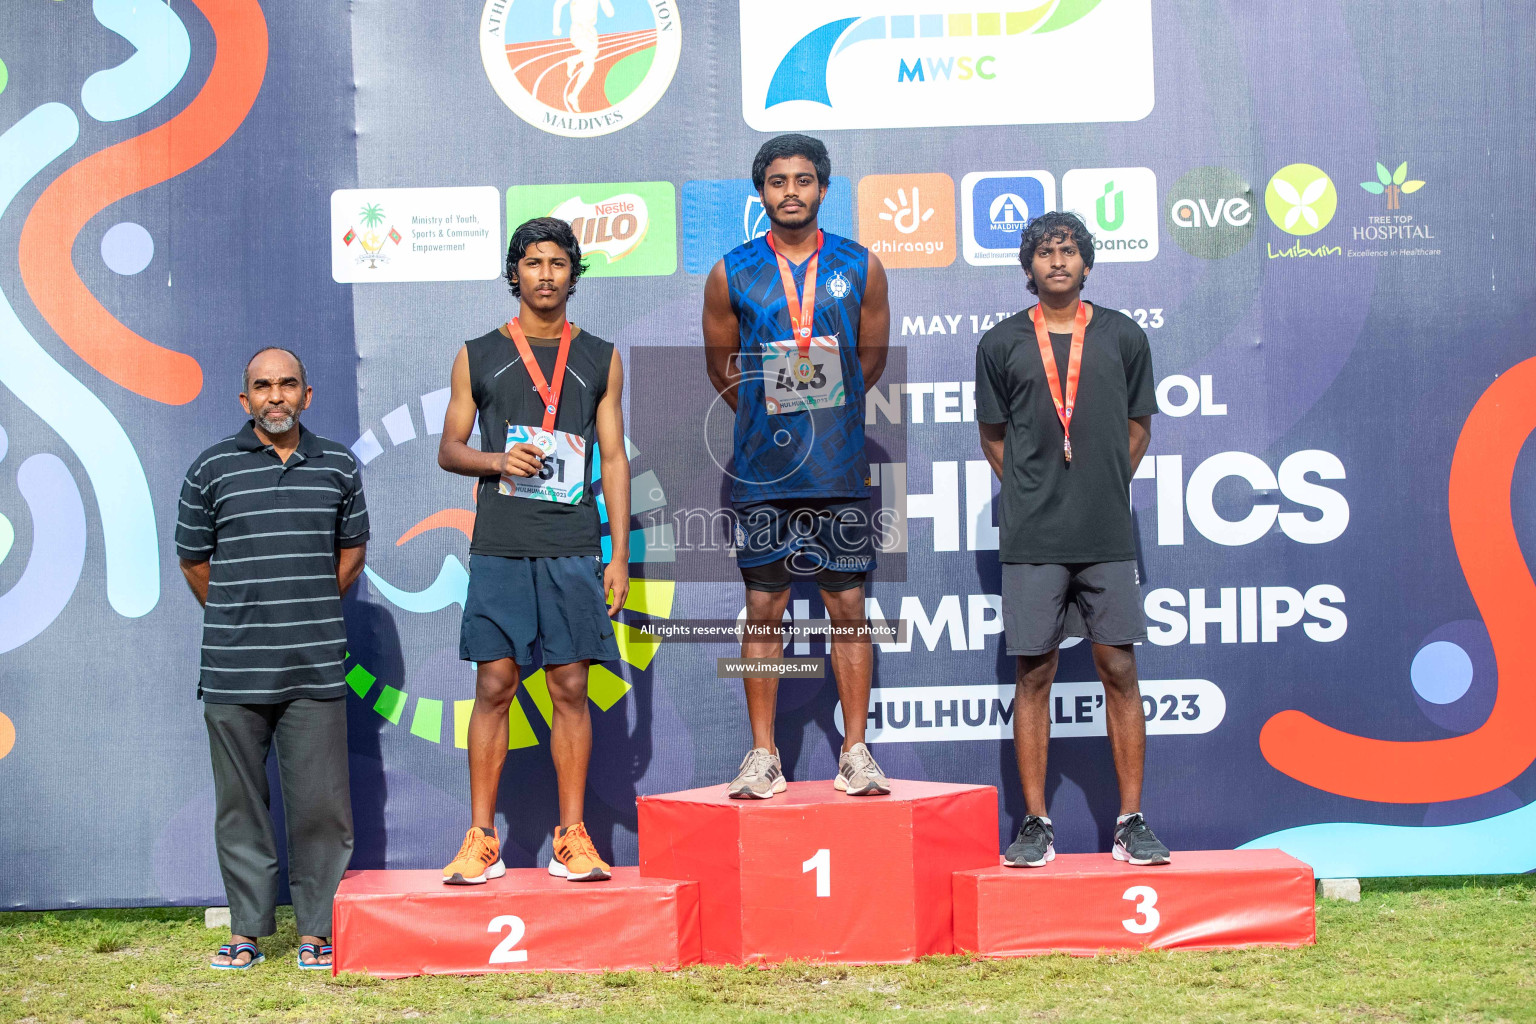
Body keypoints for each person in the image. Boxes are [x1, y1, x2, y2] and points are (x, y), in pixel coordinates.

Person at [974, 210, 1171, 867]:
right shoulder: (1001, 343)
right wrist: (1036, 496)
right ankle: (1035, 823)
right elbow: (994, 438)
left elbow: (1138, 428)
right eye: (1044, 253)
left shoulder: (1123, 336)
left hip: (1106, 531)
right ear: (1028, 269)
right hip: (1033, 538)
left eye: (1068, 251)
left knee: (1119, 667)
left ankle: (1131, 820)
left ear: (1086, 263)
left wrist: (1099, 485)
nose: (1057, 262)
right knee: (1035, 673)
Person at [437, 217, 629, 884]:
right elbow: (449, 448)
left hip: (573, 544)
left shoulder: (601, 355)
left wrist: (618, 554)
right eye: (533, 262)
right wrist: (498, 460)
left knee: (571, 686)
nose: (545, 274)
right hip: (500, 544)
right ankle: (481, 838)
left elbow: (614, 457)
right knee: (494, 684)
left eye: (557, 263)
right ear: (514, 272)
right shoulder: (478, 353)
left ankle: (570, 837)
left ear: (574, 274)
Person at [702, 134, 892, 798]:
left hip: (838, 468)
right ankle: (763, 755)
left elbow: (870, 360)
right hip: (763, 471)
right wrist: (769, 404)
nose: (791, 192)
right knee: (764, 607)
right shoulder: (733, 270)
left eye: (804, 180)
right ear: (762, 193)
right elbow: (722, 369)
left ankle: (857, 750)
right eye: (778, 181)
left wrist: (824, 403)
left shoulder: (858, 264)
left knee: (848, 607)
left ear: (823, 188)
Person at [176, 348, 369, 970]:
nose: (276, 396)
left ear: (307, 396)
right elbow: (194, 563)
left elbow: (350, 560)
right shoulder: (210, 468)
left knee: (321, 807)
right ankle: (247, 934)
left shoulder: (339, 465)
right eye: (263, 386)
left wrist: (301, 608)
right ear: (245, 400)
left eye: (288, 384)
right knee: (241, 808)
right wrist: (243, 617)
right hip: (234, 670)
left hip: (314, 665)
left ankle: (317, 931)